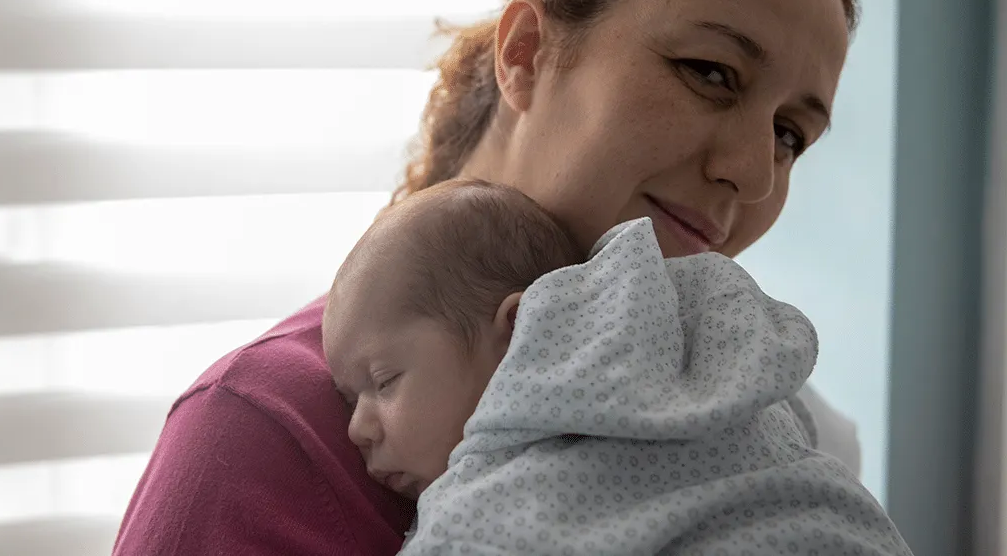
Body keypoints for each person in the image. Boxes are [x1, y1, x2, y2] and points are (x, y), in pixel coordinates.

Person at [113, 0, 868, 556]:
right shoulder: (267, 435)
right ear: (525, 52)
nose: (753, 174)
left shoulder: (773, 425)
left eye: (790, 135)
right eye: (709, 71)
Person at [323, 179, 911, 555]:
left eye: (384, 382)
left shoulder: (490, 503)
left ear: (518, 330)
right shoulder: (722, 359)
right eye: (350, 399)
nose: (356, 429)